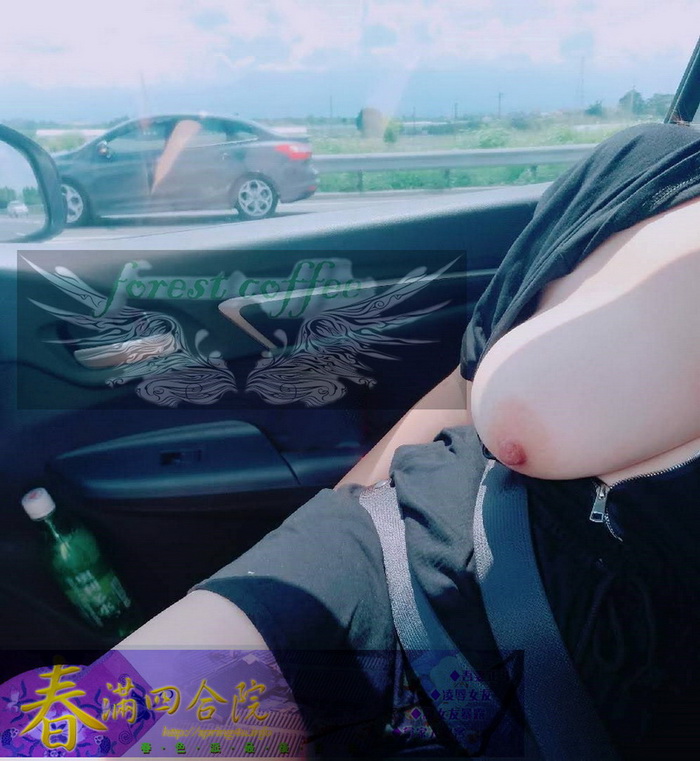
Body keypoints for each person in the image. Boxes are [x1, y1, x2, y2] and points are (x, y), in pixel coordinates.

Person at [117, 123, 700, 758]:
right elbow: (464, 382)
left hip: (632, 677)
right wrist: (332, 527)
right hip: (419, 557)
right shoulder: (646, 167)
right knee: (87, 732)